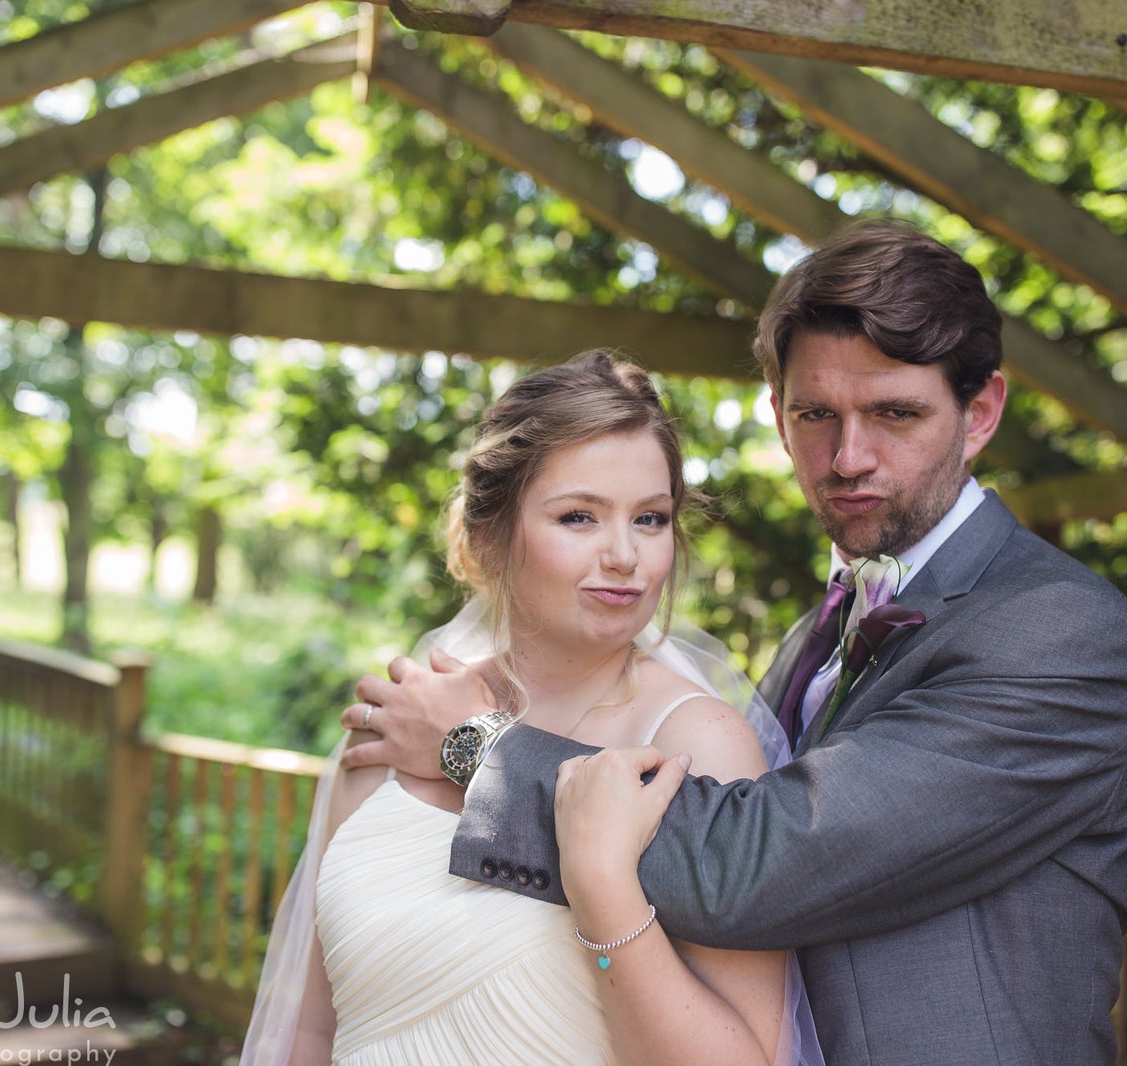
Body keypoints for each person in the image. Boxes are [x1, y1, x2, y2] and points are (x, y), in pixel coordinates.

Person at [340, 220, 1127, 1065]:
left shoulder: (1058, 631)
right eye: (815, 414)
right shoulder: (821, 628)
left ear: (979, 412)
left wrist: (475, 748)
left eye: (894, 414)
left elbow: (758, 864)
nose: (847, 457)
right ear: (777, 413)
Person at [240, 350, 819, 1065]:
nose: (624, 556)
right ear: (490, 534)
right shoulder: (398, 725)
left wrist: (604, 889)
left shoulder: (699, 745)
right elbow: (309, 1027)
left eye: (650, 518)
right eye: (579, 516)